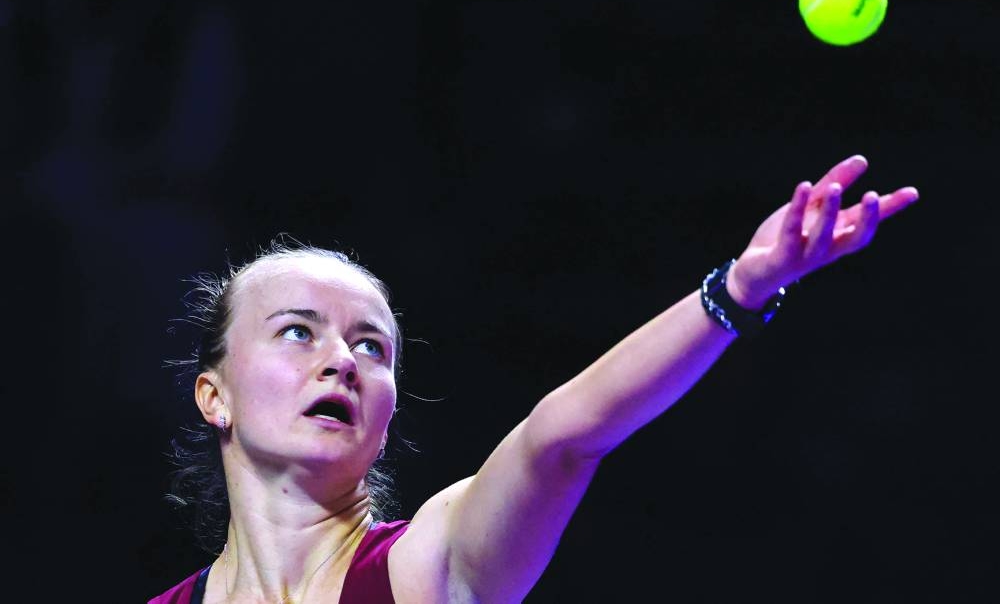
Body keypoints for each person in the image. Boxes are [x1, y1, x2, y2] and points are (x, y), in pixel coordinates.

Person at [149, 155, 918, 604]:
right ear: (212, 393)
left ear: (385, 419)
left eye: (372, 348)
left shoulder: (426, 567)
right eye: (297, 330)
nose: (343, 360)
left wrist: (740, 290)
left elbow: (562, 439)